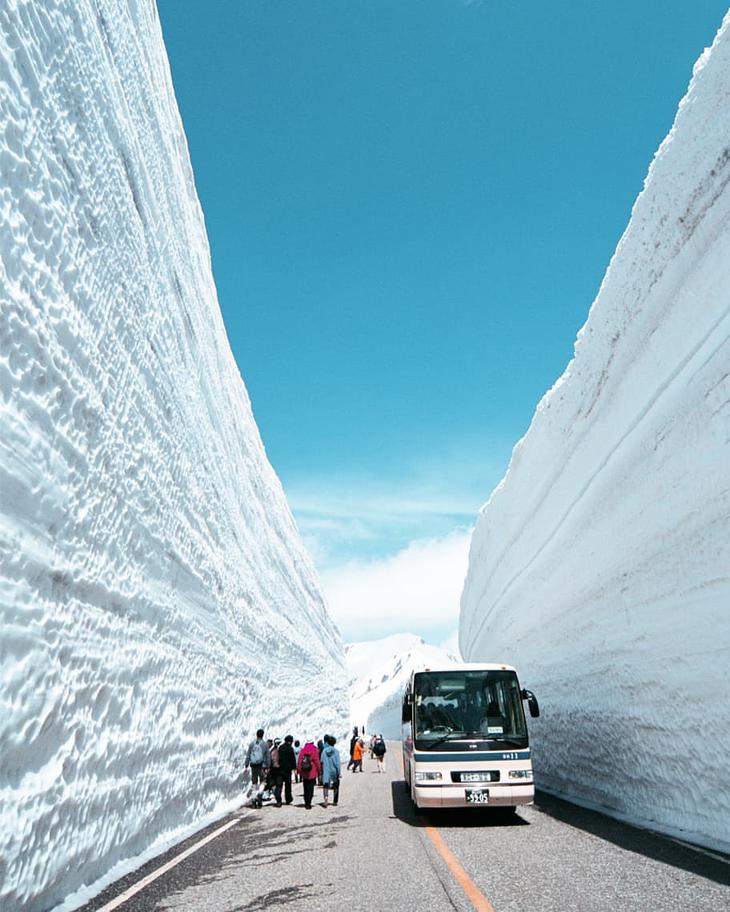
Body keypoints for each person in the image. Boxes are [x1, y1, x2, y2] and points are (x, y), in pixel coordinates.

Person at [245, 729, 271, 799]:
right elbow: (268, 756)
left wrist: (246, 764)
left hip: (253, 766)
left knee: (254, 782)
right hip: (261, 766)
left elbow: (248, 754)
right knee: (263, 781)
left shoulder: (252, 743)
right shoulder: (265, 744)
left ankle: (253, 798)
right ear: (262, 735)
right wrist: (268, 766)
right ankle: (260, 792)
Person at [297, 739, 321, 809]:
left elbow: (300, 760)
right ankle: (309, 803)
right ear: (312, 742)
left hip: (304, 772)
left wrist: (299, 770)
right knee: (311, 788)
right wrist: (319, 770)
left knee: (305, 788)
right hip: (312, 772)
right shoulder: (314, 749)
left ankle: (306, 802)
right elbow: (317, 761)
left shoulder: (303, 749)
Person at [273, 735, 297, 806]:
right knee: (288, 786)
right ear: (290, 741)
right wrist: (294, 768)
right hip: (287, 771)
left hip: (279, 769)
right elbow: (293, 759)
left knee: (279, 785)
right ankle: (288, 799)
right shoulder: (290, 749)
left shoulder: (280, 747)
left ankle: (278, 800)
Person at [321, 735, 341, 807]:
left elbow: (322, 761)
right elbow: (338, 764)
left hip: (326, 771)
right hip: (334, 771)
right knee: (336, 785)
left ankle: (326, 798)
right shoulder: (336, 752)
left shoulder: (324, 751)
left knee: (325, 785)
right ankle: (335, 801)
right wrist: (339, 772)